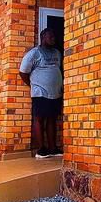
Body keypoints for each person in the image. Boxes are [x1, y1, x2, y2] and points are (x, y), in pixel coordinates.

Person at [19, 29, 63, 159]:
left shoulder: (57, 53)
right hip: (40, 93)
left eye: (54, 36)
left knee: (52, 119)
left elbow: (57, 69)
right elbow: (23, 72)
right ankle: (41, 149)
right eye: (51, 36)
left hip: (55, 93)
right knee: (39, 119)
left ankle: (53, 148)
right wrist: (33, 85)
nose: (53, 38)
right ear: (43, 37)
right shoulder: (34, 53)